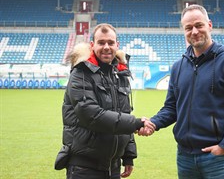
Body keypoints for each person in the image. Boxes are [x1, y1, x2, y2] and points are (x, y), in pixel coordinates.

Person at [139, 4, 224, 179]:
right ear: (183, 31)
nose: (194, 31)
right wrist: (153, 123)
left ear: (210, 25)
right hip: (185, 157)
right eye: (188, 28)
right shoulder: (178, 67)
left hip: (216, 157)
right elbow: (171, 107)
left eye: (199, 25)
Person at [55, 23, 155, 179]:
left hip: (113, 167)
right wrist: (136, 123)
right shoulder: (80, 73)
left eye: (110, 42)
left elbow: (124, 113)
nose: (106, 47)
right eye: (101, 43)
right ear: (92, 45)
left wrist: (128, 155)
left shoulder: (120, 74)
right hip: (84, 167)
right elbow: (92, 115)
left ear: (117, 45)